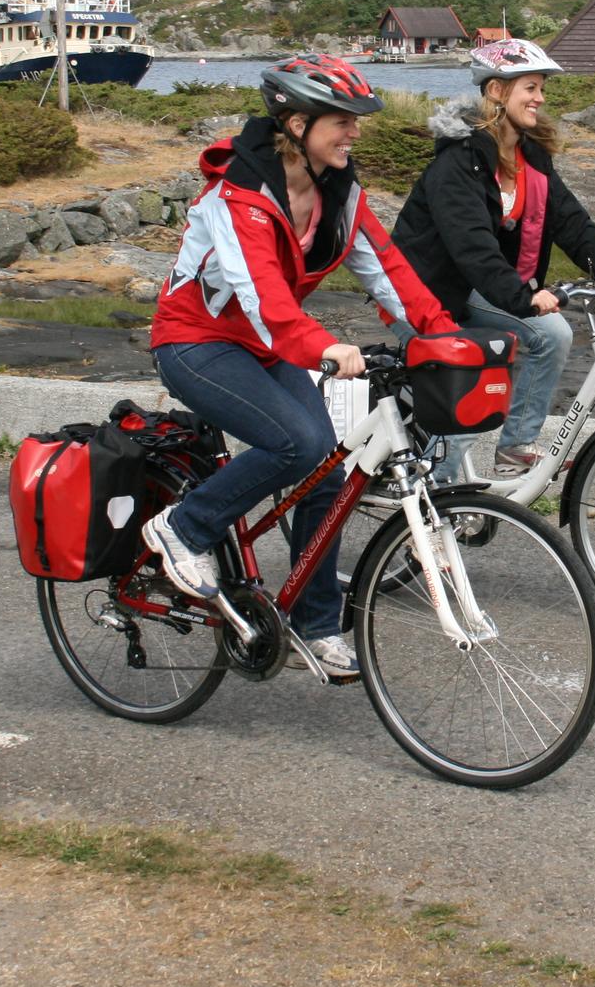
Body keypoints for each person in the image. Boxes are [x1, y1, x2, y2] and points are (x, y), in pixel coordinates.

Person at [143, 53, 459, 680]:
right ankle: (184, 528)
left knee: (327, 466)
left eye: (356, 119)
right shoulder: (239, 194)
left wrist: (447, 337)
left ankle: (315, 626)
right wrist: (322, 347)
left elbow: (389, 272)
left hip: (266, 347)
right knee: (299, 442)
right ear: (293, 122)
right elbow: (262, 296)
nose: (354, 130)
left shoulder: (341, 193)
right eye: (340, 119)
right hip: (194, 342)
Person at [391, 38, 595, 474]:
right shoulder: (458, 164)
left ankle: (515, 448)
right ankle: (436, 510)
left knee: (553, 335)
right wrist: (520, 297)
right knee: (471, 388)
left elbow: (571, 222)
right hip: (422, 292)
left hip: (471, 287)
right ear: (496, 91)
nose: (540, 98)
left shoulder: (531, 159)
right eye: (530, 87)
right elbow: (471, 245)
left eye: (541, 88)